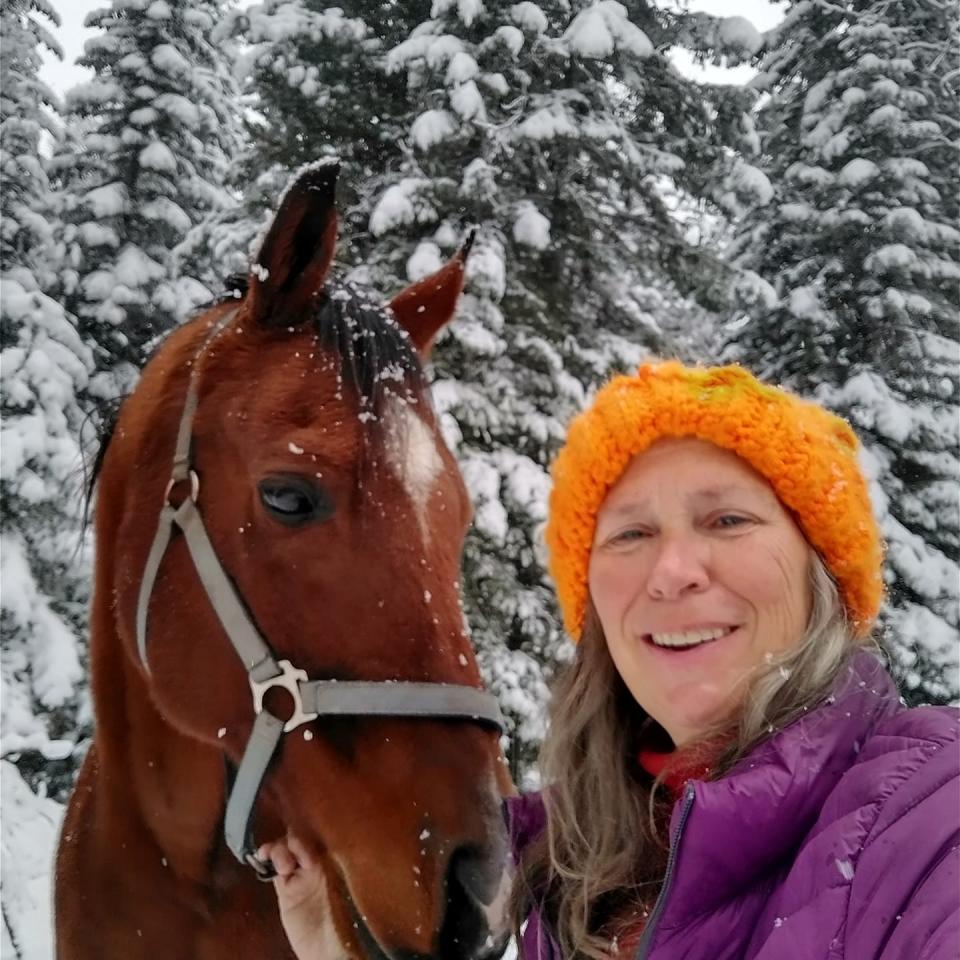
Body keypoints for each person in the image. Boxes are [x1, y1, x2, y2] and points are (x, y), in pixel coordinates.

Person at [266, 360, 960, 960]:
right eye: (630, 533)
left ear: (824, 576)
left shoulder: (929, 824)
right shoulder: (563, 871)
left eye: (728, 520)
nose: (673, 570)